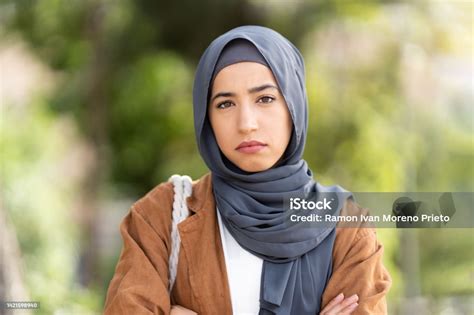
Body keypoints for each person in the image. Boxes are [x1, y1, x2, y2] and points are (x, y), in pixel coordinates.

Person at [104, 25, 391, 315]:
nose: (246, 123)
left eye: (265, 99)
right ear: (207, 118)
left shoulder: (346, 226)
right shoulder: (161, 216)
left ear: (293, 105)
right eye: (225, 103)